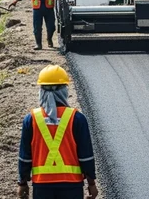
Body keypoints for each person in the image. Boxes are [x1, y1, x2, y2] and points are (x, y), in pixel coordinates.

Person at [17, 65, 98, 199]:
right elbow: (86, 156)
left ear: (41, 91)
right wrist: (92, 183)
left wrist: (22, 183)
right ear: (64, 91)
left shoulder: (31, 119)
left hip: (42, 186)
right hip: (72, 186)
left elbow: (25, 156)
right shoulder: (77, 118)